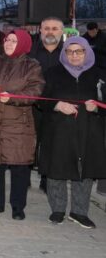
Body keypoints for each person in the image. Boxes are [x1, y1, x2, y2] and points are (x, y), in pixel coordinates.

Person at [0, 29, 45, 220]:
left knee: (19, 167)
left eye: (13, 40)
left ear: (22, 44)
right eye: (7, 40)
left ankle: (18, 207)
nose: (8, 43)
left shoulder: (31, 65)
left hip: (18, 125)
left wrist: (12, 98)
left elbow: (35, 91)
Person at [38, 36, 106, 229]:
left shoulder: (98, 75)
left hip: (89, 130)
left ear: (87, 52)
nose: (74, 55)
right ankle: (57, 209)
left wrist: (98, 109)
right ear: (64, 53)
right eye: (70, 51)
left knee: (84, 171)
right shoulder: (52, 73)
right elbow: (40, 100)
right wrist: (57, 105)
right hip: (58, 129)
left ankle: (79, 212)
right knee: (56, 169)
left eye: (79, 51)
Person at [28, 16, 65, 193]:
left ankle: (45, 178)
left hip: (58, 107)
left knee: (52, 143)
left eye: (55, 28)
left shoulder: (69, 53)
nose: (50, 32)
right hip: (32, 106)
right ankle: (24, 176)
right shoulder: (30, 53)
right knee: (30, 142)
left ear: (62, 32)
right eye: (47, 28)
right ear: (40, 30)